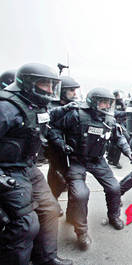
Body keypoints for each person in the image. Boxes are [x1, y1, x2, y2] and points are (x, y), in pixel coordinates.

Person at [0, 63, 72, 265]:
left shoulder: (35, 104)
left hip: (28, 167)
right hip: (7, 170)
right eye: (44, 85)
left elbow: (44, 123)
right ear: (28, 83)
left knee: (50, 209)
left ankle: (46, 258)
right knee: (25, 224)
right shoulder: (6, 107)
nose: (50, 91)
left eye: (52, 85)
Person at [49, 87, 132, 251]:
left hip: (97, 160)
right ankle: (81, 232)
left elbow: (118, 136)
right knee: (81, 194)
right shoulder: (76, 115)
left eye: (108, 103)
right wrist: (61, 144)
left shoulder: (108, 119)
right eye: (102, 102)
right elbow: (54, 129)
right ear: (93, 102)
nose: (106, 106)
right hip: (76, 160)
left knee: (114, 187)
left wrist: (127, 151)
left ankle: (114, 216)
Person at [47, 76, 81, 199]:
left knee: (71, 178)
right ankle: (52, 201)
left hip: (70, 147)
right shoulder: (50, 104)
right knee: (56, 179)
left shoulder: (75, 105)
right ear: (62, 91)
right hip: (55, 148)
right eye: (71, 90)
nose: (74, 93)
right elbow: (49, 121)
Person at [107, 90, 127, 169]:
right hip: (114, 123)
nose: (119, 97)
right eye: (118, 95)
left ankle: (111, 159)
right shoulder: (111, 102)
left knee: (115, 142)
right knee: (115, 142)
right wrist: (124, 113)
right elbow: (114, 112)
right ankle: (114, 161)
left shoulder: (121, 102)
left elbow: (123, 110)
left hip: (121, 123)